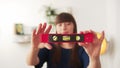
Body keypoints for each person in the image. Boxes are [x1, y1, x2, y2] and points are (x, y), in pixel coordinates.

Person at [27, 12, 104, 68]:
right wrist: (34, 48)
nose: (64, 28)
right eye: (60, 25)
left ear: (74, 26)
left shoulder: (83, 46)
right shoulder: (48, 45)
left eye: (68, 24)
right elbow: (31, 63)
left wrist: (94, 58)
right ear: (56, 28)